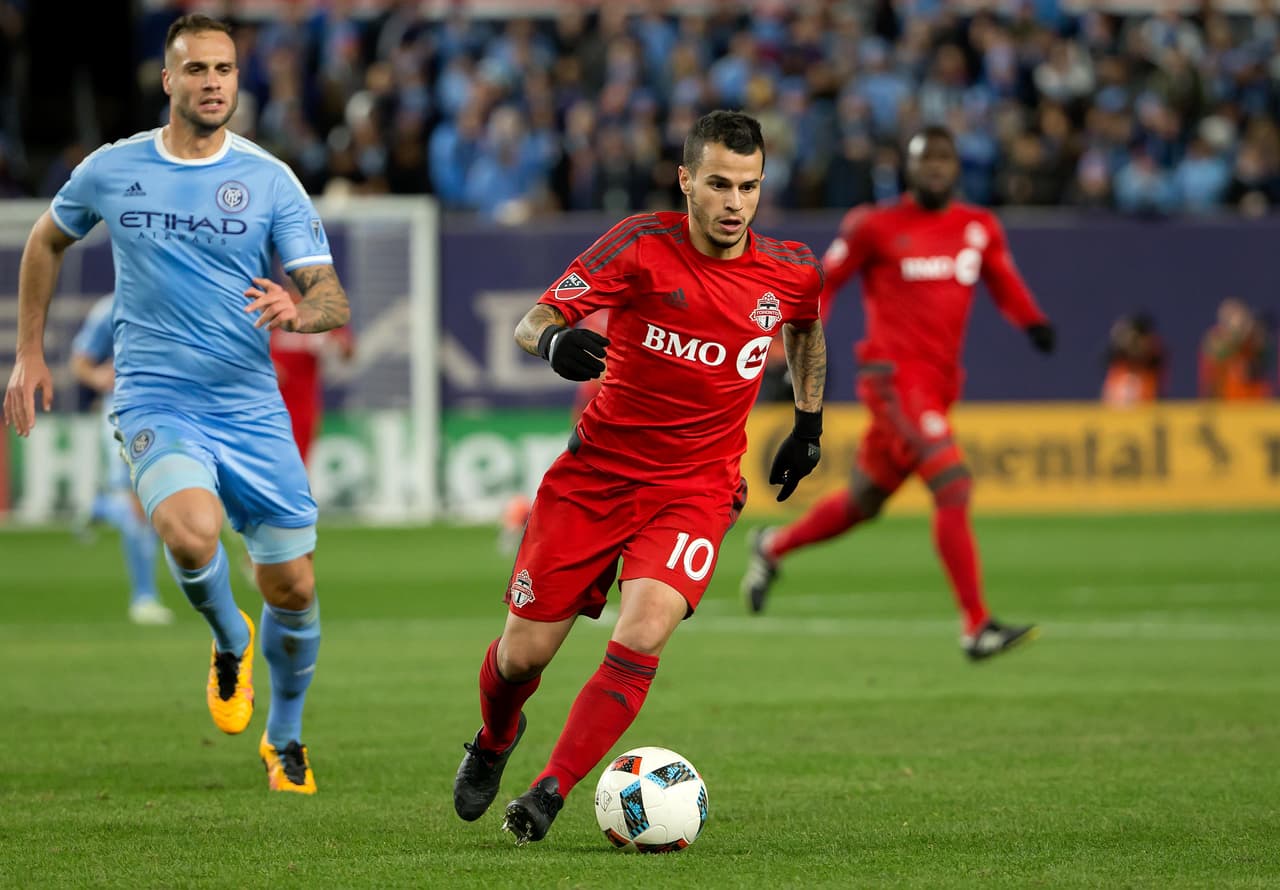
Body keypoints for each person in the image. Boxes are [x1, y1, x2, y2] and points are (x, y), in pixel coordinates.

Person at [453, 110, 828, 845]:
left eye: (748, 187)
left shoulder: (789, 268)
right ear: (686, 181)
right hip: (595, 477)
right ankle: (495, 739)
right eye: (718, 183)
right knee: (522, 655)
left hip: (697, 488)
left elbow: (806, 325)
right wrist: (557, 340)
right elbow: (533, 320)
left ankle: (550, 791)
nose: (733, 202)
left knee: (646, 627)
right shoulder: (638, 244)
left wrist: (809, 422)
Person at [3, 14, 351, 793]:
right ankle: (230, 641)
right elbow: (45, 242)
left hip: (250, 406)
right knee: (191, 537)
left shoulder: (269, 180)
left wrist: (302, 312)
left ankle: (286, 738)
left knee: (293, 587)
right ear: (169, 81)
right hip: (157, 395)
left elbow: (330, 296)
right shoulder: (114, 169)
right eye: (197, 70)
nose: (214, 83)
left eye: (225, 69)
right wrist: (29, 352)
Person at [740, 125, 1055, 662]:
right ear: (907, 168)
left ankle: (772, 546)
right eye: (924, 158)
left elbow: (1002, 278)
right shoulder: (875, 225)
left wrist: (1032, 322)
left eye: (943, 158)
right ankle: (976, 626)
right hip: (892, 380)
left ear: (957, 167)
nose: (935, 167)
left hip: (936, 386)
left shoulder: (978, 227)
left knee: (864, 500)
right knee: (952, 484)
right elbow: (825, 281)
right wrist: (795, 346)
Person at [69, 294, 174, 626]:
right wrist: (99, 377)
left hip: (173, 412)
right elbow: (81, 360)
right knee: (138, 502)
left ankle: (100, 508)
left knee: (164, 502)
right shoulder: (110, 308)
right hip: (125, 412)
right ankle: (144, 596)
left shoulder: (178, 297)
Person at [269, 280, 355, 466]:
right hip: (269, 403)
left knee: (297, 464)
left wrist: (338, 346)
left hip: (303, 404)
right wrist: (266, 365)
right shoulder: (274, 304)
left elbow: (348, 351)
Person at [1198, 298, 1273, 400]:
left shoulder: (1255, 339)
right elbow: (1217, 352)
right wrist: (1236, 337)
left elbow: (1265, 360)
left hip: (1256, 405)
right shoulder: (1217, 338)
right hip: (1225, 405)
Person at [1101, 311, 1166, 406]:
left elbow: (1154, 359)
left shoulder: (1153, 351)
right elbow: (1105, 359)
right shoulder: (1119, 356)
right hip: (1114, 413)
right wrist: (1122, 339)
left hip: (1145, 411)